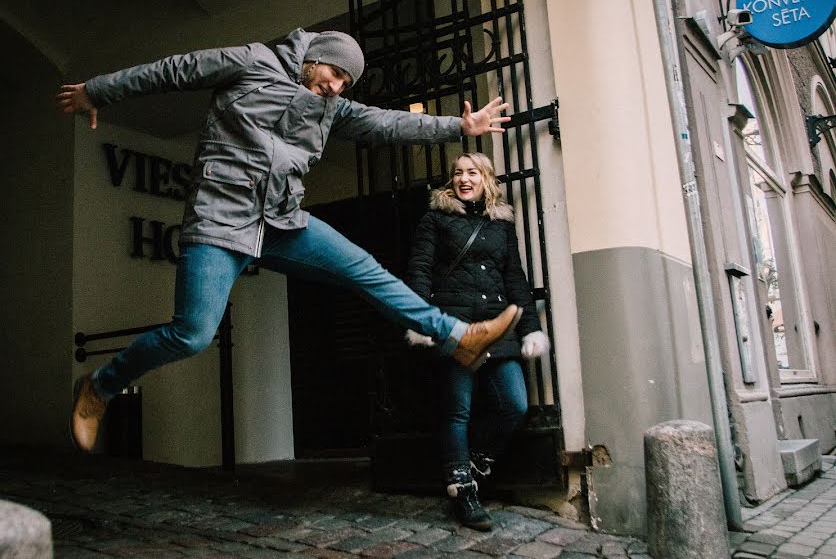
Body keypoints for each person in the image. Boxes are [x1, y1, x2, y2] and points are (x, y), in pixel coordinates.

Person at [58, 28, 524, 454]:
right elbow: (173, 70)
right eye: (335, 73)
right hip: (221, 221)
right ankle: (100, 388)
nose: (337, 86)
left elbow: (385, 123)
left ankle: (458, 338)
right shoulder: (251, 62)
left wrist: (458, 128)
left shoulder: (330, 108)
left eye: (346, 82)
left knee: (366, 270)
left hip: (283, 223)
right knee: (193, 334)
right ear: (314, 58)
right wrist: (97, 91)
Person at [403, 152, 550, 531]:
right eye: (457, 173)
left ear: (486, 178)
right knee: (458, 411)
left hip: (498, 326)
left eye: (472, 172)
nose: (464, 179)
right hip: (455, 327)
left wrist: (530, 327)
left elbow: (515, 278)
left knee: (514, 405)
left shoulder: (502, 224)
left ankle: (471, 467)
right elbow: (419, 270)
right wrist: (421, 322)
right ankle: (463, 490)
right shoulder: (435, 219)